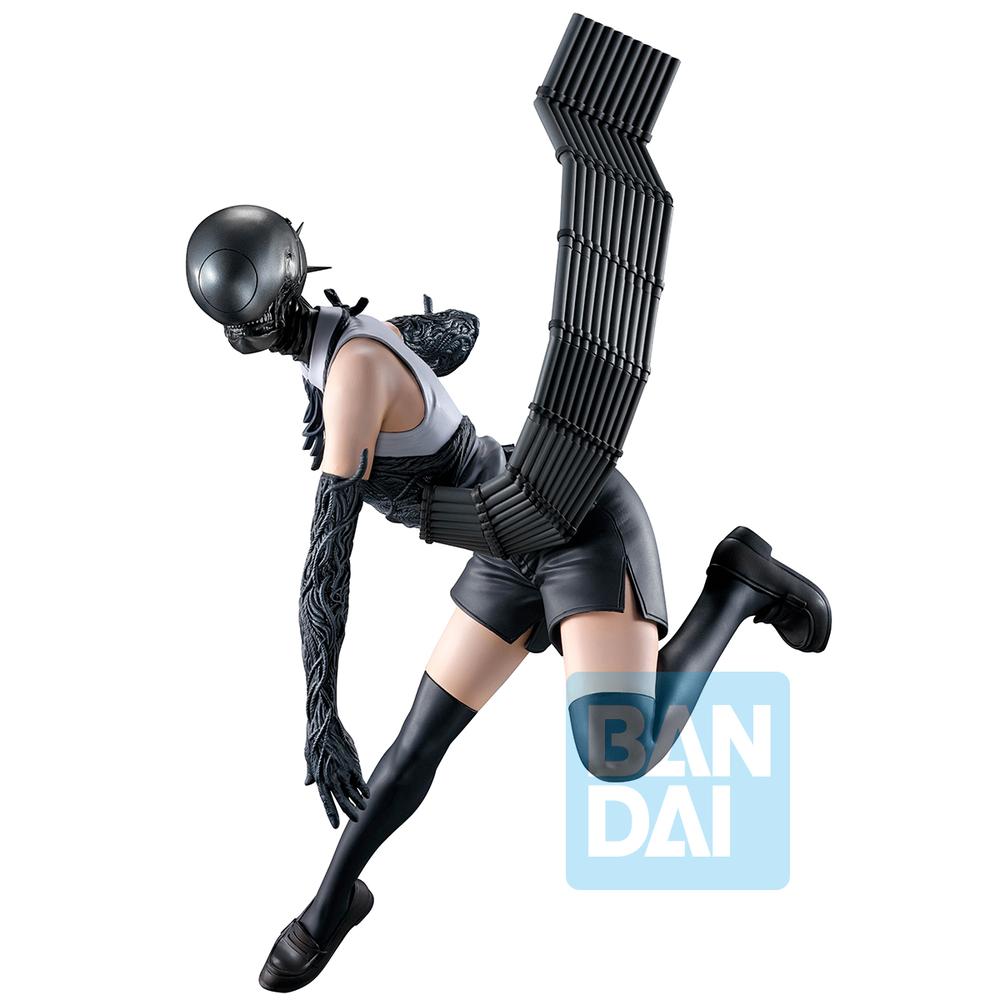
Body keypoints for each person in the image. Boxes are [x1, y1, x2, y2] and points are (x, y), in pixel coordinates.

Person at [185, 16, 831, 993]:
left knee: (619, 754)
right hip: (502, 529)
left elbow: (326, 563)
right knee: (416, 745)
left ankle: (738, 584)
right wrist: (409, 349)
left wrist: (320, 713)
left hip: (571, 519)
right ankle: (331, 905)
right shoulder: (347, 340)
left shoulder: (347, 372)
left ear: (255, 323)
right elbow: (464, 332)